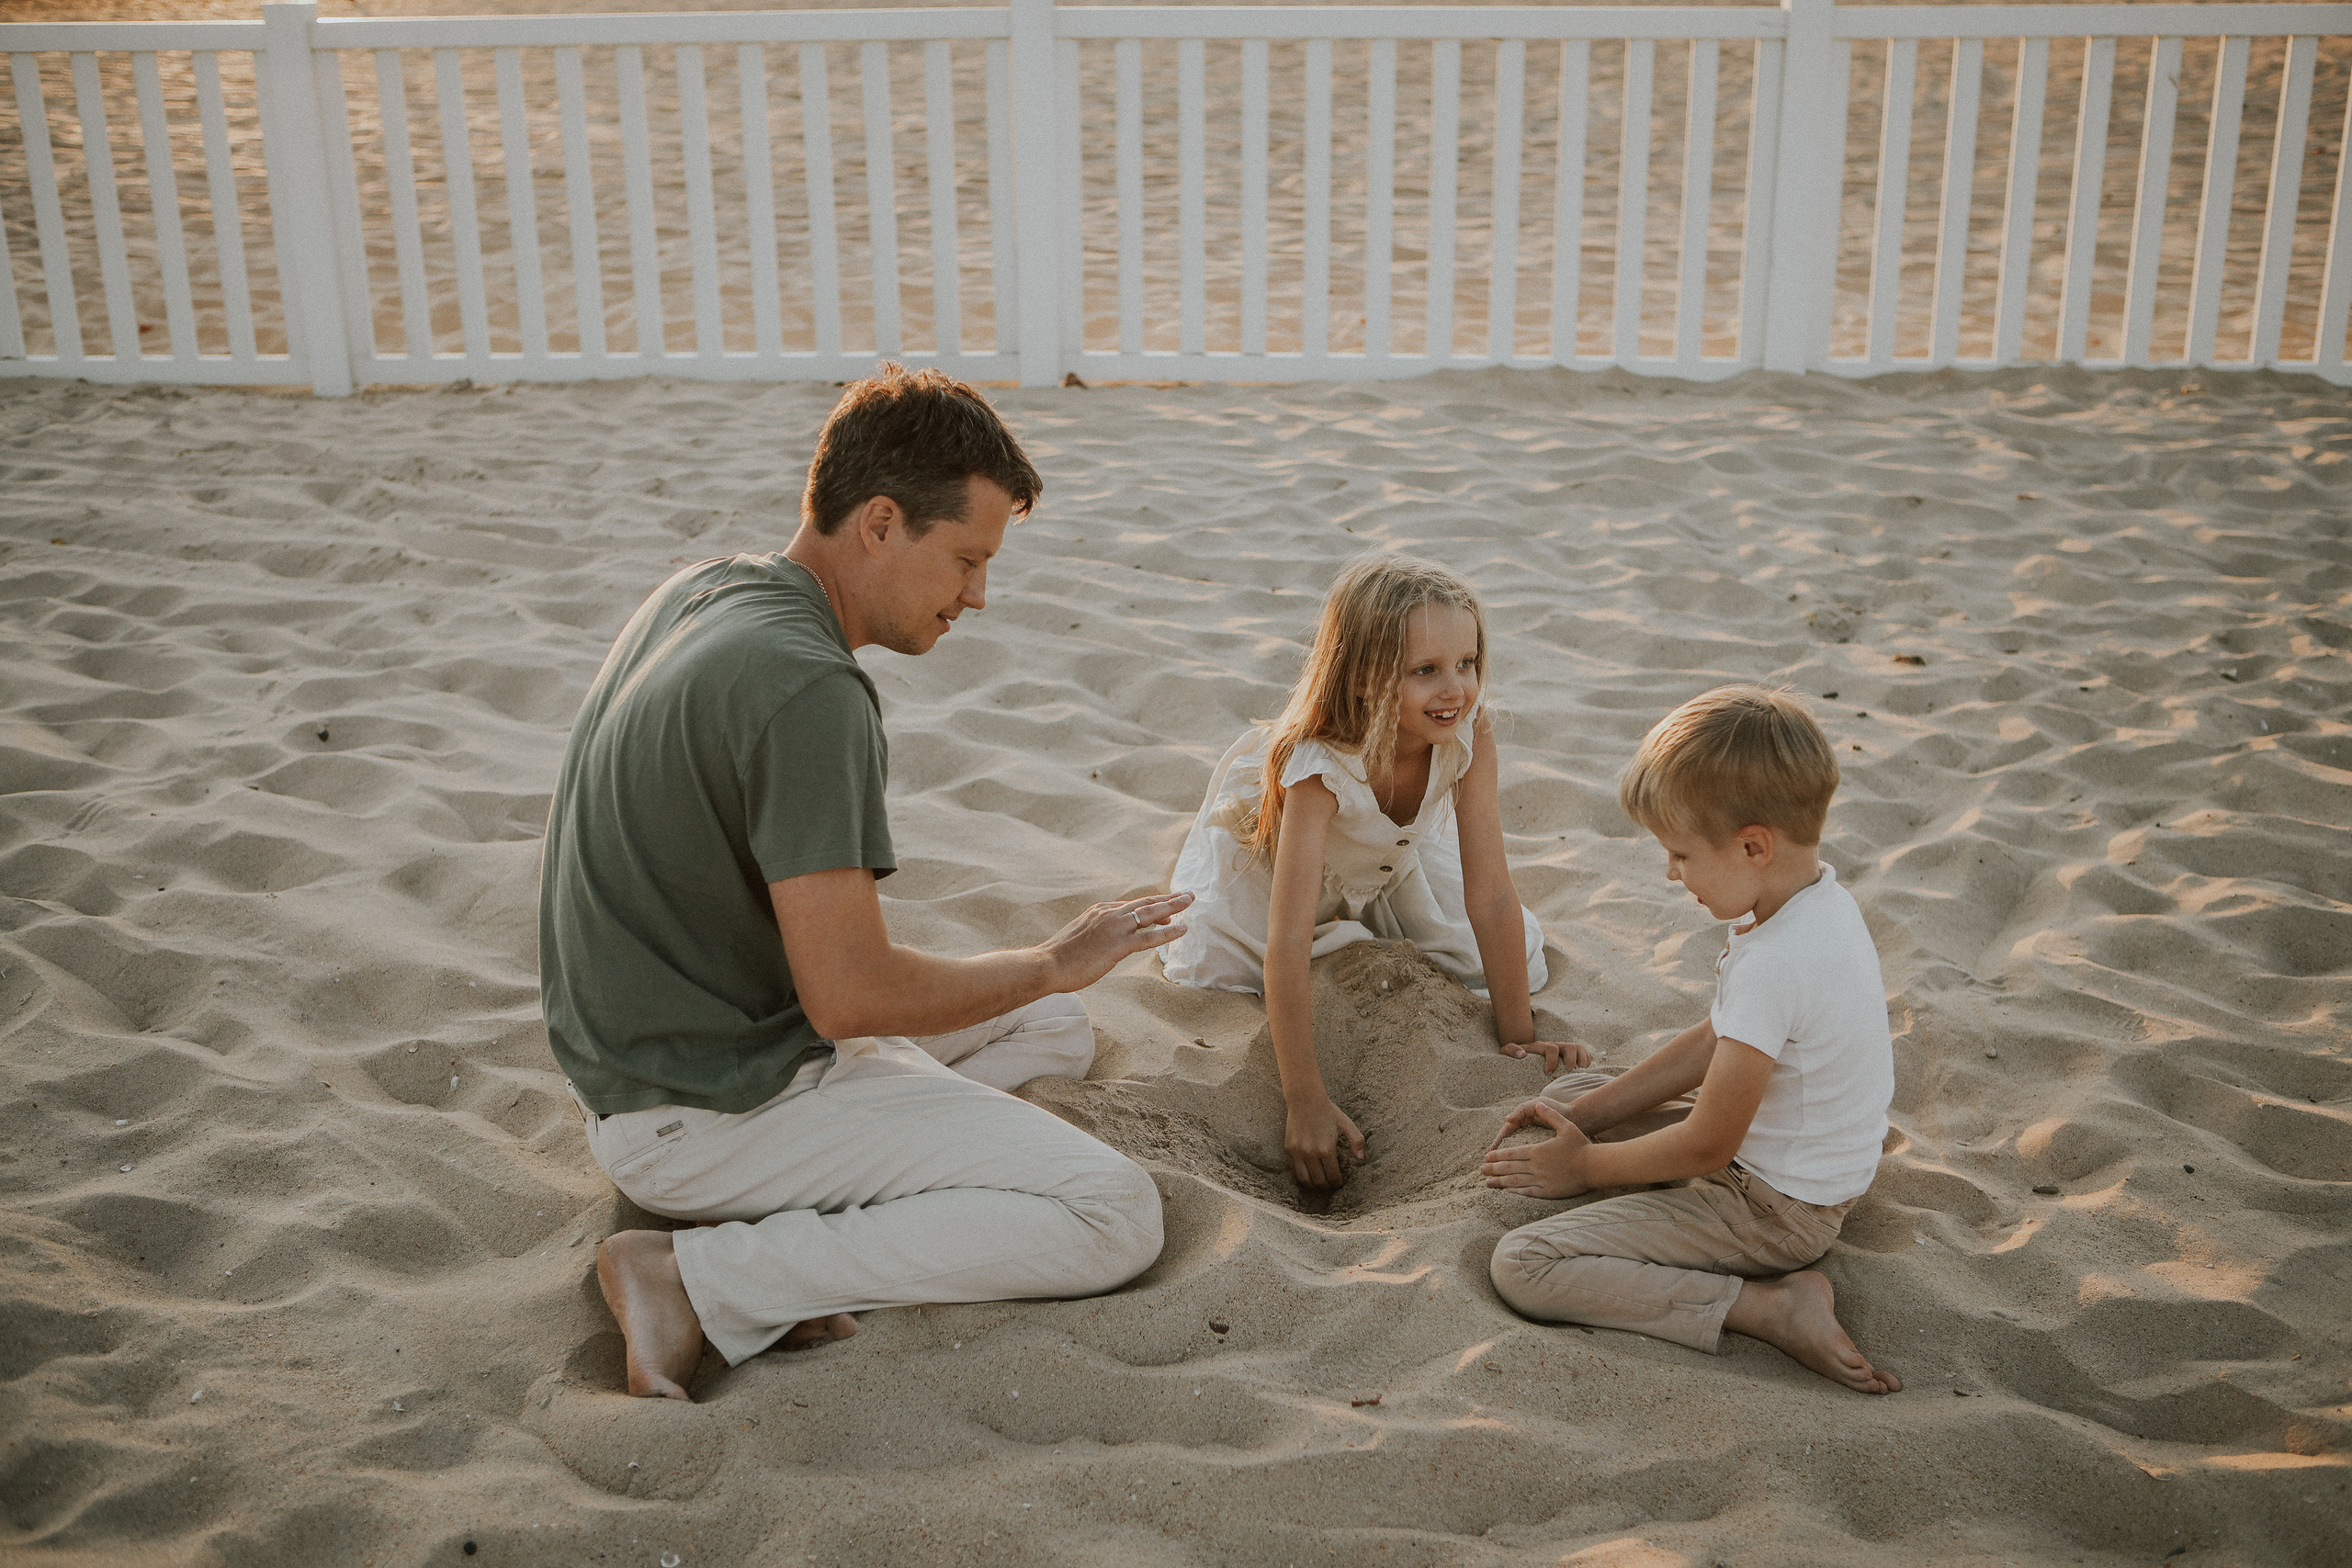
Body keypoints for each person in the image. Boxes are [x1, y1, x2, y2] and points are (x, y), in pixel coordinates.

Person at [539, 364, 1192, 1400]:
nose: (977, 594)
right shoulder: (808, 688)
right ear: (880, 524)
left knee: (1055, 1032)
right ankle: (694, 1274)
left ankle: (811, 1214)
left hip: (652, 1064)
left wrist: (1046, 986)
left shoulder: (704, 591)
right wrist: (1054, 958)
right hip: (706, 1113)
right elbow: (850, 996)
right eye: (967, 558)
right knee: (1114, 1214)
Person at [1480, 684, 1901, 1394]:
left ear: (1752, 846)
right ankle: (1601, 1142)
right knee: (1572, 1094)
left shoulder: (1777, 961)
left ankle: (1766, 1306)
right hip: (1795, 1165)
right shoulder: (1812, 900)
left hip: (1772, 1209)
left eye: (1680, 854)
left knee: (1523, 1263)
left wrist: (1582, 1170)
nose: (1671, 873)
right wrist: (1586, 1123)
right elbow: (1718, 1036)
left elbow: (1709, 1143)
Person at [1161, 554, 1584, 1190]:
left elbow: (1491, 893)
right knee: (1217, 969)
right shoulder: (1321, 769)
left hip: (1383, 868)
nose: (1455, 690)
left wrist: (1517, 1038)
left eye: (1467, 664)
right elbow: (1287, 939)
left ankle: (1375, 916)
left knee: (1511, 955)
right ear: (1362, 677)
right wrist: (1304, 1099)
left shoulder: (1469, 732)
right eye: (1425, 671)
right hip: (1275, 882)